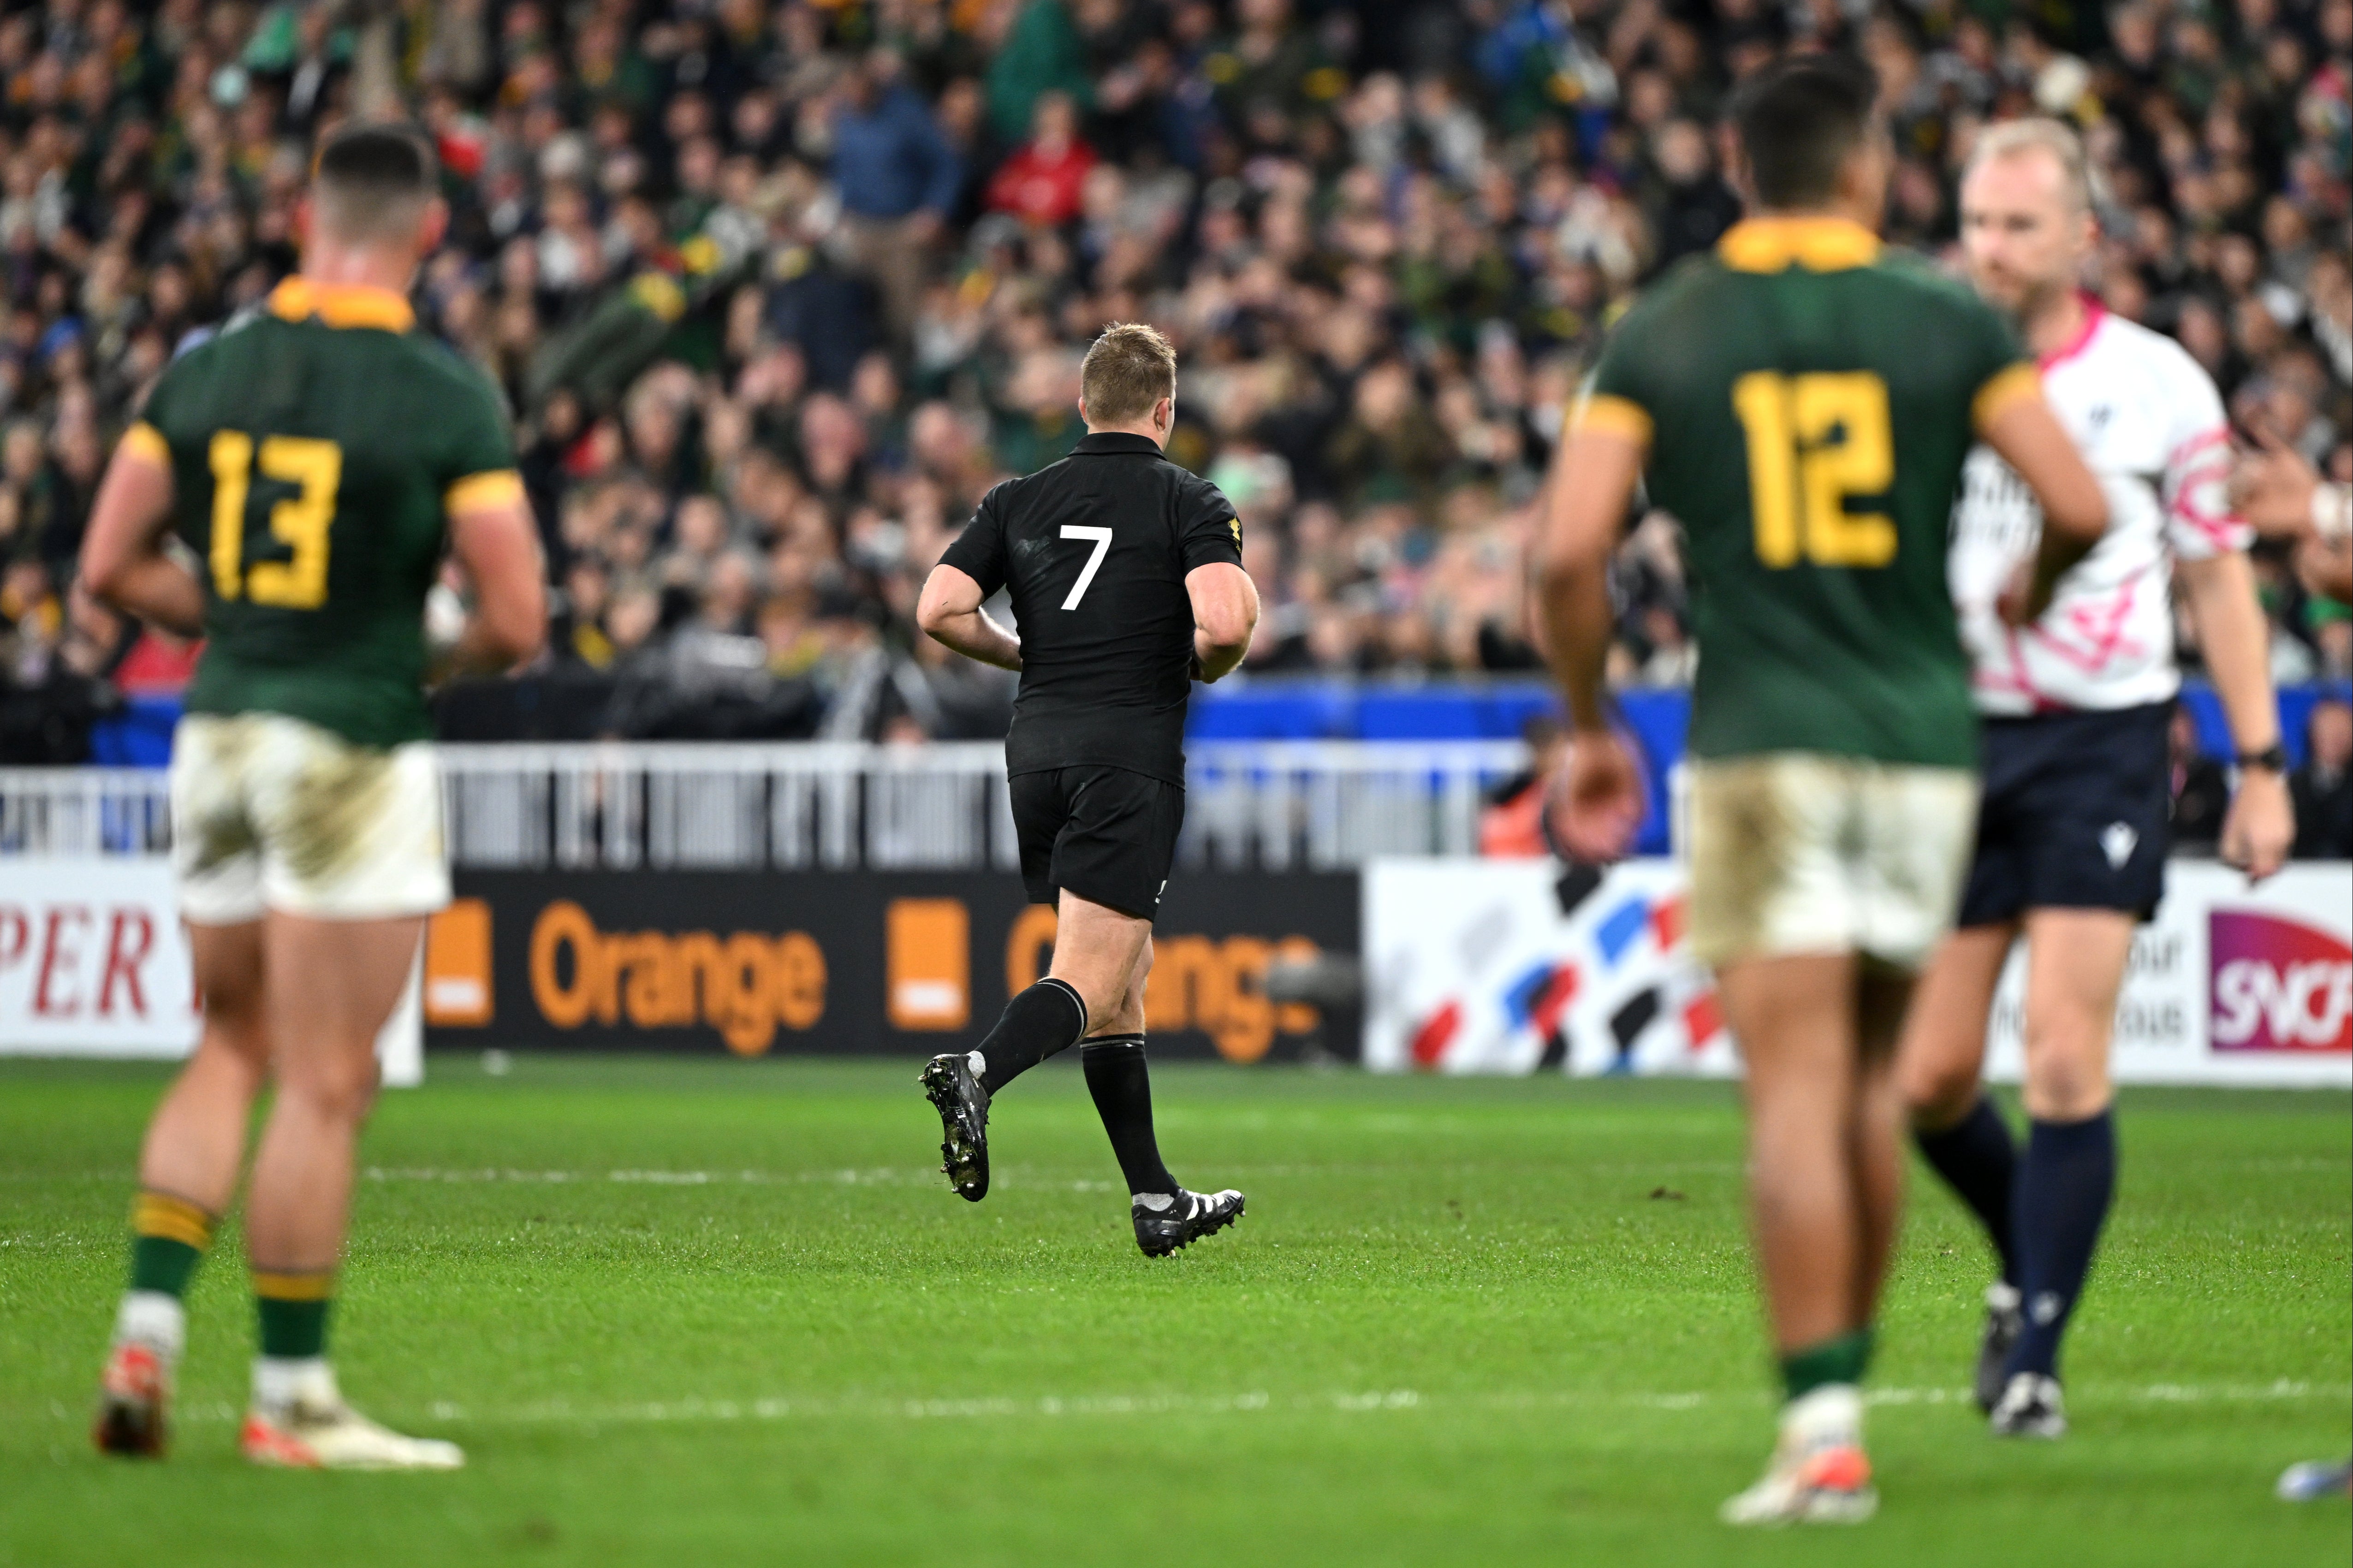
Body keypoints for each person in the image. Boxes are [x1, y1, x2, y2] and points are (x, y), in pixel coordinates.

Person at [1537, 58, 2108, 1525]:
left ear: (1738, 171)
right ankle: (1839, 1401)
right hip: (1921, 742)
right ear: (1865, 172)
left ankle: (1822, 1426)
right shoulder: (1940, 315)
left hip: (1762, 736)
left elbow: (1562, 552)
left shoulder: (1665, 324)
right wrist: (2020, 589)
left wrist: (1589, 724)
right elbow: (2079, 502)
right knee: (1865, 1081)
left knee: (1790, 1088)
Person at [81, 125, 546, 1469]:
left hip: (217, 725)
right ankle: (289, 1397)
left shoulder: (207, 368)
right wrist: (420, 649)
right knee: (327, 1079)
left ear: (302, 215)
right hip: (347, 738)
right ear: (428, 233)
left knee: (227, 1043)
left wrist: (235, 614)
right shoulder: (440, 392)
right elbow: (514, 616)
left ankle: (144, 1335)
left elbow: (109, 560)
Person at [1899, 118, 2294, 1440]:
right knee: (1927, 1080)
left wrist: (2256, 764)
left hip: (2099, 739)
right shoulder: (1915, 367)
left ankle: (2034, 1363)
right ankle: (2025, 1262)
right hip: (1954, 744)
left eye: (2019, 225)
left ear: (2080, 235)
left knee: (2065, 1056)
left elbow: (2214, 571)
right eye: (1976, 223)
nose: (1992, 250)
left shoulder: (2158, 384)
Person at [913, 322, 1260, 1257]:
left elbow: (937, 607)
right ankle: (976, 1069)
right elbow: (1223, 620)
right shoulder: (1189, 499)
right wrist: (1214, 661)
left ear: (1080, 405)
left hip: (1036, 752)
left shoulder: (1018, 496)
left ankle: (1155, 1199)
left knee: (1122, 981)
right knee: (1091, 976)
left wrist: (1015, 649)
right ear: (1166, 409)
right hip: (1126, 753)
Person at [2290, 698, 2352, 859]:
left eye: (2341, 731)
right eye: (2327, 730)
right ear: (2312, 734)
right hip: (2301, 874)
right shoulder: (2293, 786)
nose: (2335, 738)